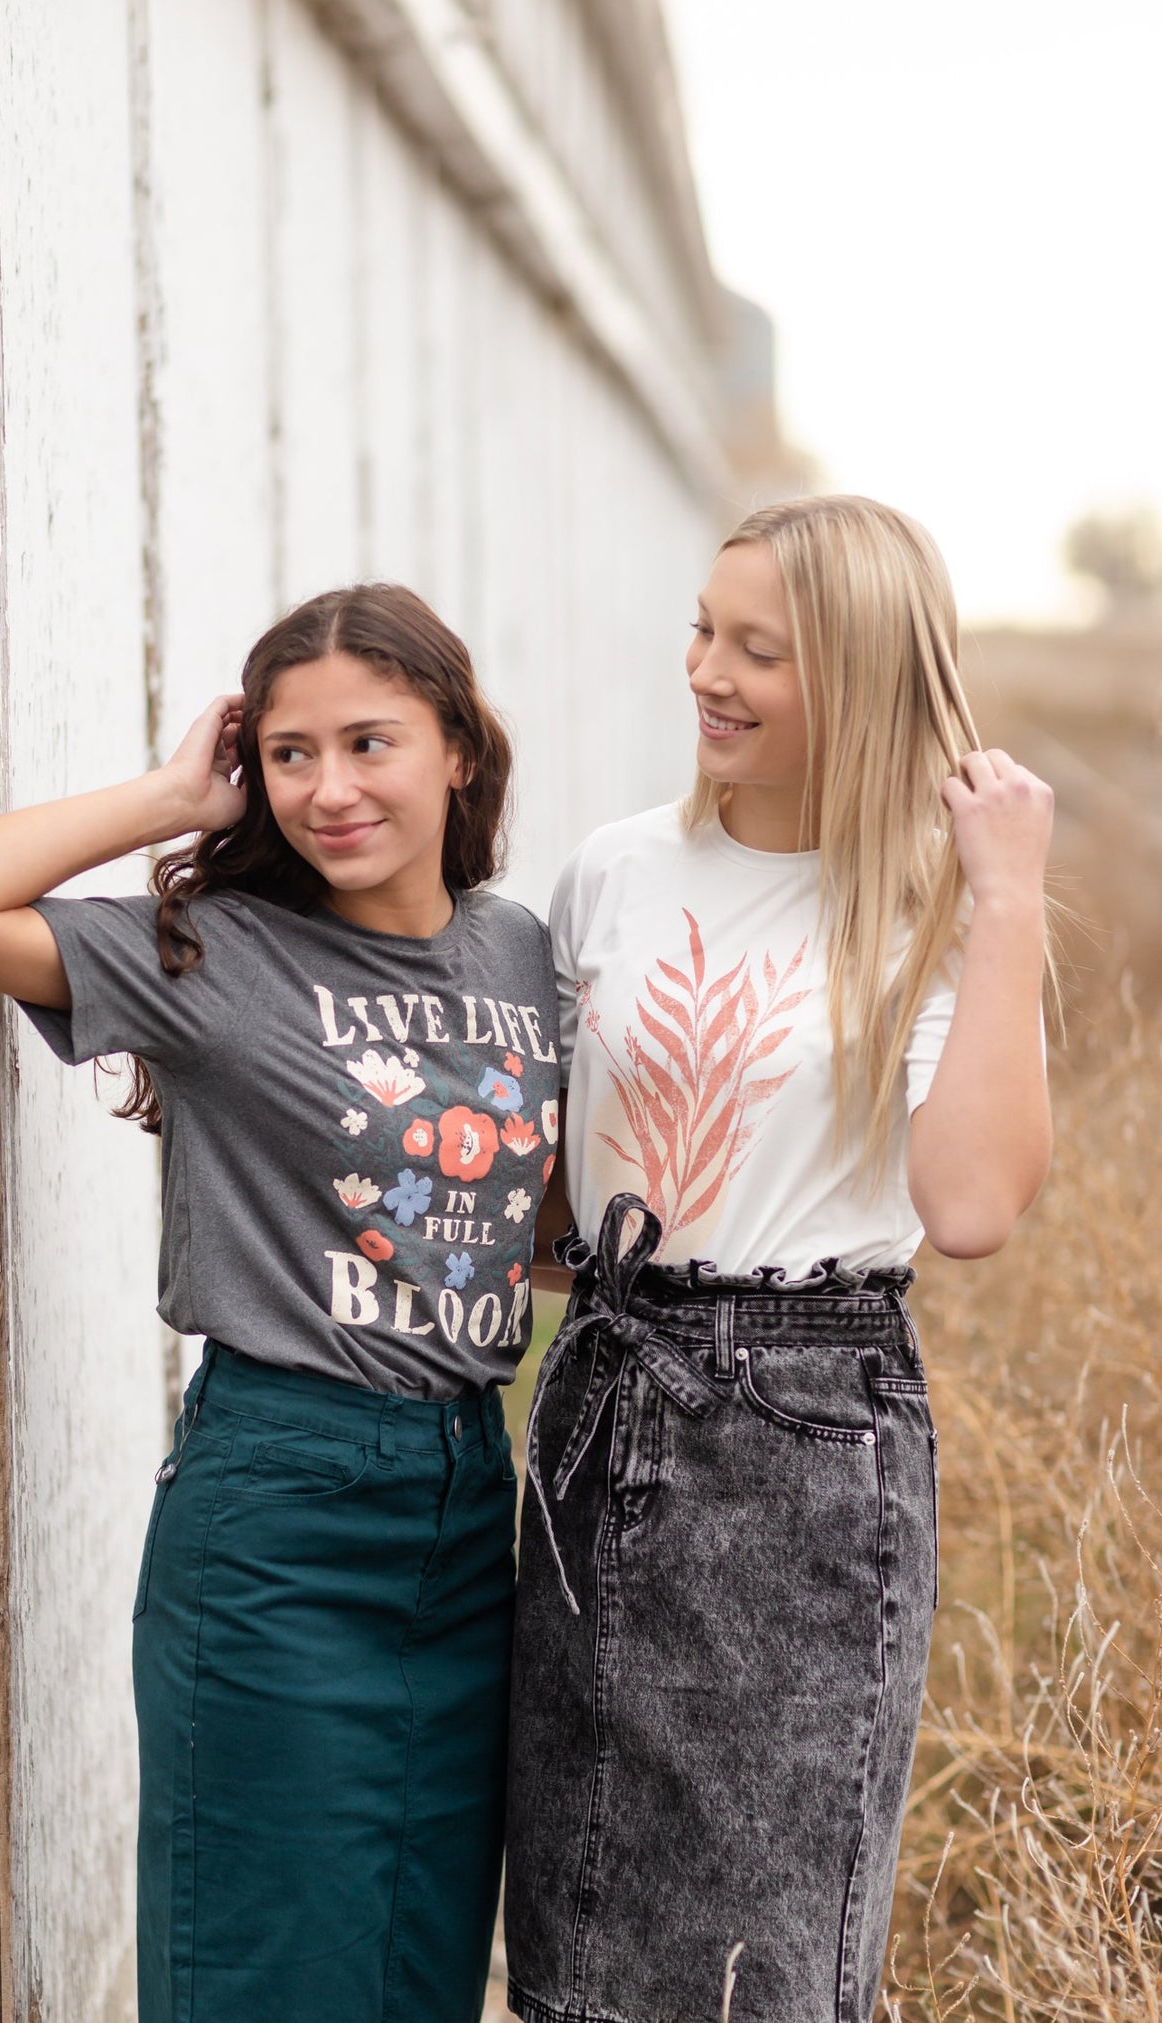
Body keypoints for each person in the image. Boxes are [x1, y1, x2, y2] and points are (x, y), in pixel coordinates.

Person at [0, 584, 561, 2023]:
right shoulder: (214, 956)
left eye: (370, 743)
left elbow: (518, 1228)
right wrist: (167, 797)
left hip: (462, 1494)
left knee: (415, 1959)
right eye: (291, 754)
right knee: (262, 1962)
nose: (328, 789)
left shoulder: (518, 957)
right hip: (280, 1510)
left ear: (458, 753)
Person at [505, 496, 1053, 2023]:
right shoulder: (613, 872)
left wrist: (1004, 897)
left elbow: (970, 1204)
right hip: (604, 1396)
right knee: (573, 1938)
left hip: (803, 1441)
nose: (707, 672)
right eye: (701, 629)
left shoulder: (932, 909)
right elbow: (548, 1200)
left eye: (760, 650)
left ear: (865, 677)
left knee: (758, 1963)